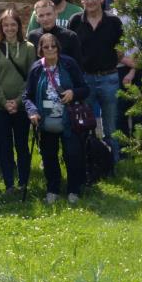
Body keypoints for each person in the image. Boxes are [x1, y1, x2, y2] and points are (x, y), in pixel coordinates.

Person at [23, 30, 88, 204]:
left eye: (53, 46)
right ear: (40, 50)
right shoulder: (37, 68)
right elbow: (27, 96)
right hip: (46, 121)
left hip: (69, 120)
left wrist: (73, 93)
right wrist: (32, 112)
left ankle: (74, 189)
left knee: (72, 155)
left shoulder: (69, 64)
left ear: (58, 48)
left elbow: (84, 88)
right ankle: (53, 189)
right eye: (46, 47)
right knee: (49, 157)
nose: (50, 49)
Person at [67, 0, 128, 165]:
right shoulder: (75, 21)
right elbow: (71, 51)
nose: (90, 1)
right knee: (83, 124)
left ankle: (113, 164)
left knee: (111, 126)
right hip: (85, 80)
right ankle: (87, 164)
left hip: (109, 78)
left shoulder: (114, 22)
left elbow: (121, 50)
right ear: (81, 0)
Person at [0, 6, 35, 198]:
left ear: (18, 26)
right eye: (5, 25)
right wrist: (4, 101)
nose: (9, 28)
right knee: (4, 146)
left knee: (22, 145)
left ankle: (23, 182)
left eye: (13, 24)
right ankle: (9, 185)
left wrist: (17, 101)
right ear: (1, 27)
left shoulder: (29, 48)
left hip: (22, 107)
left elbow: (30, 78)